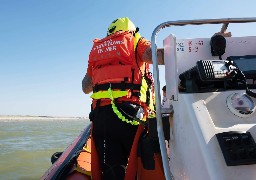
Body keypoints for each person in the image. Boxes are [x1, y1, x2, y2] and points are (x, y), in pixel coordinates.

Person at [82, 17, 164, 180]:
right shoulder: (135, 40)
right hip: (131, 116)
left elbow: (86, 87)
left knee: (112, 170)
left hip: (101, 118)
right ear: (131, 29)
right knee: (137, 167)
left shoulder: (97, 49)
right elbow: (156, 57)